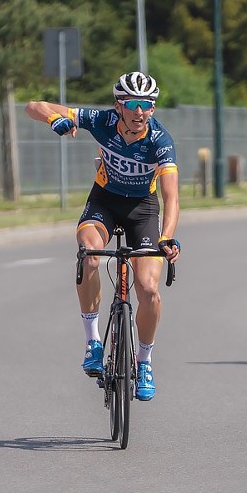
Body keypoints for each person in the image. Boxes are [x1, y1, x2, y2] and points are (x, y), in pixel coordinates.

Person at [24, 72, 181, 401]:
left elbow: (172, 198)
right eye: (134, 104)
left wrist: (167, 237)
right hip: (104, 202)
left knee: (149, 288)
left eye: (148, 105)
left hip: (143, 210)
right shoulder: (101, 120)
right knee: (90, 255)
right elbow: (33, 106)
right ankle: (93, 341)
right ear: (118, 106)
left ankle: (145, 361)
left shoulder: (160, 141)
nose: (141, 112)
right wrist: (55, 119)